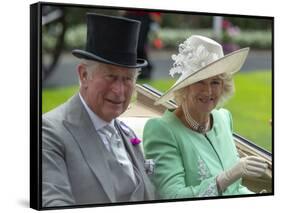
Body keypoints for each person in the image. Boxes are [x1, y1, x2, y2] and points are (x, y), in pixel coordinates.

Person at [42, 13, 155, 207]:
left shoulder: (126, 133)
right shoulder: (49, 132)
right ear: (84, 75)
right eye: (110, 76)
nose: (119, 90)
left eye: (128, 79)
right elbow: (53, 202)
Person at [143, 35, 268, 198]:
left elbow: (234, 190)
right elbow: (172, 197)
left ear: (223, 86)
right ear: (185, 87)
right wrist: (225, 178)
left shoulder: (223, 119)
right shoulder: (162, 131)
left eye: (215, 82)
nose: (208, 91)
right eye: (200, 81)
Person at [124, 11, 162, 79]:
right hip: (130, 14)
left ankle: (145, 70)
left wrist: (156, 14)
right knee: (129, 45)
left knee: (139, 46)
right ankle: (133, 71)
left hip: (144, 16)